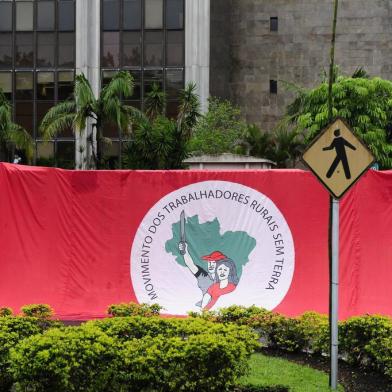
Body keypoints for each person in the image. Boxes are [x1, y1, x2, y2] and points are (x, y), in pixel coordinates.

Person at [178, 243, 227, 307]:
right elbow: (190, 264)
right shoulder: (203, 275)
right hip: (205, 307)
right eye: (209, 262)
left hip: (223, 307)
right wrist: (185, 251)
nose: (211, 265)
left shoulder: (226, 278)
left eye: (213, 263)